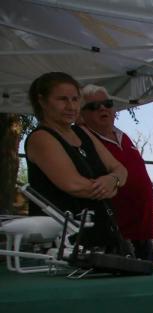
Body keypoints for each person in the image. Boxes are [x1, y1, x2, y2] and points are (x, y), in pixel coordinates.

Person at [24, 72, 127, 253]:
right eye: (62, 99)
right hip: (64, 244)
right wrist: (113, 184)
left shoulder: (82, 132)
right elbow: (74, 185)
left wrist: (113, 180)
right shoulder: (41, 138)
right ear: (42, 101)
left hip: (102, 235)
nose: (71, 106)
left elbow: (120, 169)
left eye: (75, 99)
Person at [79, 84, 153, 262]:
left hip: (141, 233)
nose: (102, 108)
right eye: (93, 106)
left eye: (107, 104)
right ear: (81, 114)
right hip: (113, 237)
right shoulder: (83, 143)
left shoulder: (123, 135)